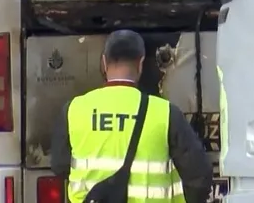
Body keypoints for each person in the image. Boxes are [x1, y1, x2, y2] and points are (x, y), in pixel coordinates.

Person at [51, 30, 213, 203]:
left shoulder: (74, 109)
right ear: (141, 64)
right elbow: (199, 176)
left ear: (104, 63)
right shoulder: (165, 113)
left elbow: (60, 166)